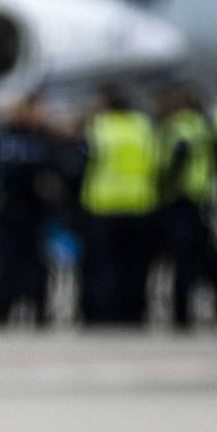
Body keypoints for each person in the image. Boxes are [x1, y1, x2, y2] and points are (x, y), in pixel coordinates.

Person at [0, 92, 57, 325]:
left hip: (35, 215)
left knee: (35, 265)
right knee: (1, 266)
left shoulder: (43, 139)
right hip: (3, 214)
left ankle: (39, 311)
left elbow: (56, 171)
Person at [77, 83, 159, 324]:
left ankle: (104, 313)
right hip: (140, 204)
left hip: (103, 206)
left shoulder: (99, 128)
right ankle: (133, 312)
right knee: (136, 267)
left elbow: (83, 163)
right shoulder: (144, 128)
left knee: (103, 265)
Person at [156, 83, 217, 328]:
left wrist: (165, 187)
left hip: (181, 200)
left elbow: (178, 160)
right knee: (193, 259)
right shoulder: (202, 126)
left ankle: (181, 312)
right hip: (199, 200)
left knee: (181, 260)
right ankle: (189, 310)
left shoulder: (181, 127)